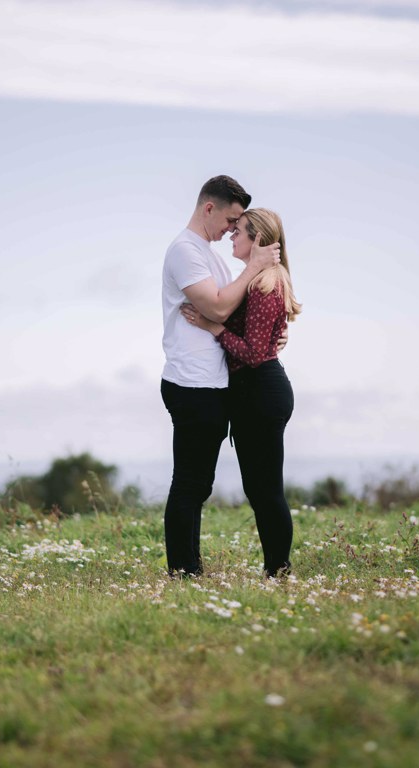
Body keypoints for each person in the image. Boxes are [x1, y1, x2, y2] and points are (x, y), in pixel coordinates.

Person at [161, 176, 280, 577]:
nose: (233, 228)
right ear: (208, 208)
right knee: (190, 483)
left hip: (212, 384)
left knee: (199, 484)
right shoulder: (185, 251)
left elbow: (237, 312)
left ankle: (189, 568)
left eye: (237, 223)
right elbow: (216, 308)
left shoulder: (207, 254)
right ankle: (183, 571)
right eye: (230, 219)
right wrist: (256, 267)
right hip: (191, 383)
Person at [182, 208, 301, 577]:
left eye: (240, 232)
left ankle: (278, 571)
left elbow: (254, 353)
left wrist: (210, 326)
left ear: (258, 240)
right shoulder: (256, 280)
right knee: (260, 488)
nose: (233, 236)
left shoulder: (266, 283)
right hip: (254, 393)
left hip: (261, 392)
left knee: (266, 491)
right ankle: (275, 569)